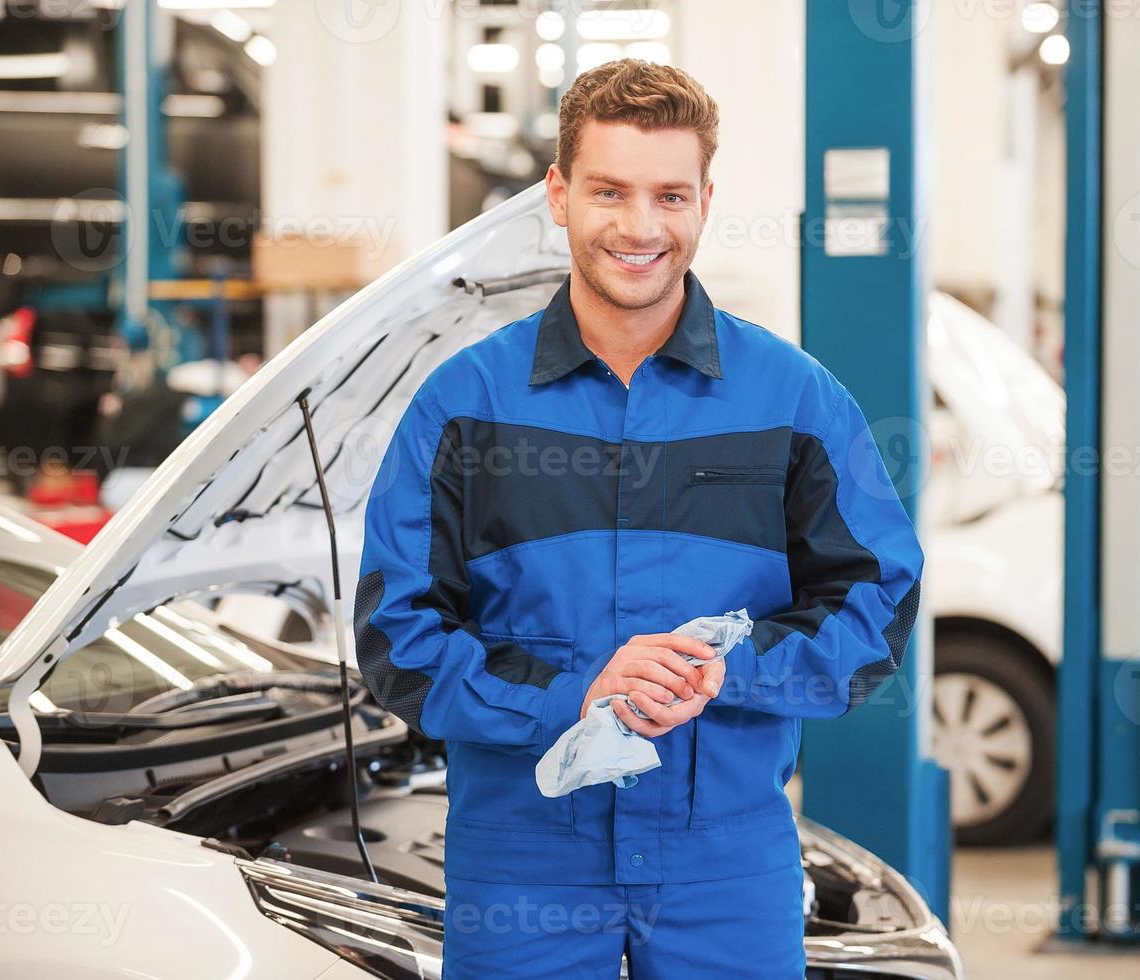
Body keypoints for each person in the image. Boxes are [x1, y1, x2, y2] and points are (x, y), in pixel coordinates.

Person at [354, 58, 924, 979]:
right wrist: (571, 692)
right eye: (608, 190)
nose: (639, 226)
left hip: (724, 858)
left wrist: (723, 671)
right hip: (521, 854)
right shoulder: (463, 406)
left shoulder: (792, 398)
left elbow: (878, 603)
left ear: (704, 200)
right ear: (558, 193)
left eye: (669, 194)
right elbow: (394, 636)